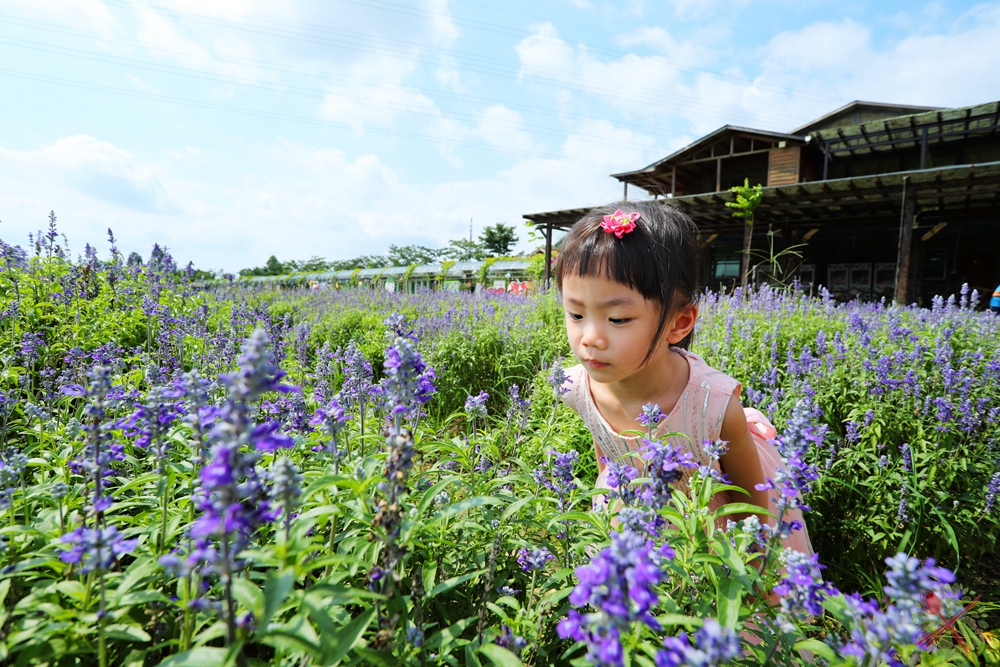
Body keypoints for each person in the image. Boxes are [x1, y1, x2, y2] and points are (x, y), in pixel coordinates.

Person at [555, 201, 812, 555]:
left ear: (679, 323)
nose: (590, 338)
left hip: (709, 540)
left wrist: (749, 579)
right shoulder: (575, 388)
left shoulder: (714, 407)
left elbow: (754, 508)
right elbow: (609, 457)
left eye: (617, 320)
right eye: (576, 314)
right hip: (633, 514)